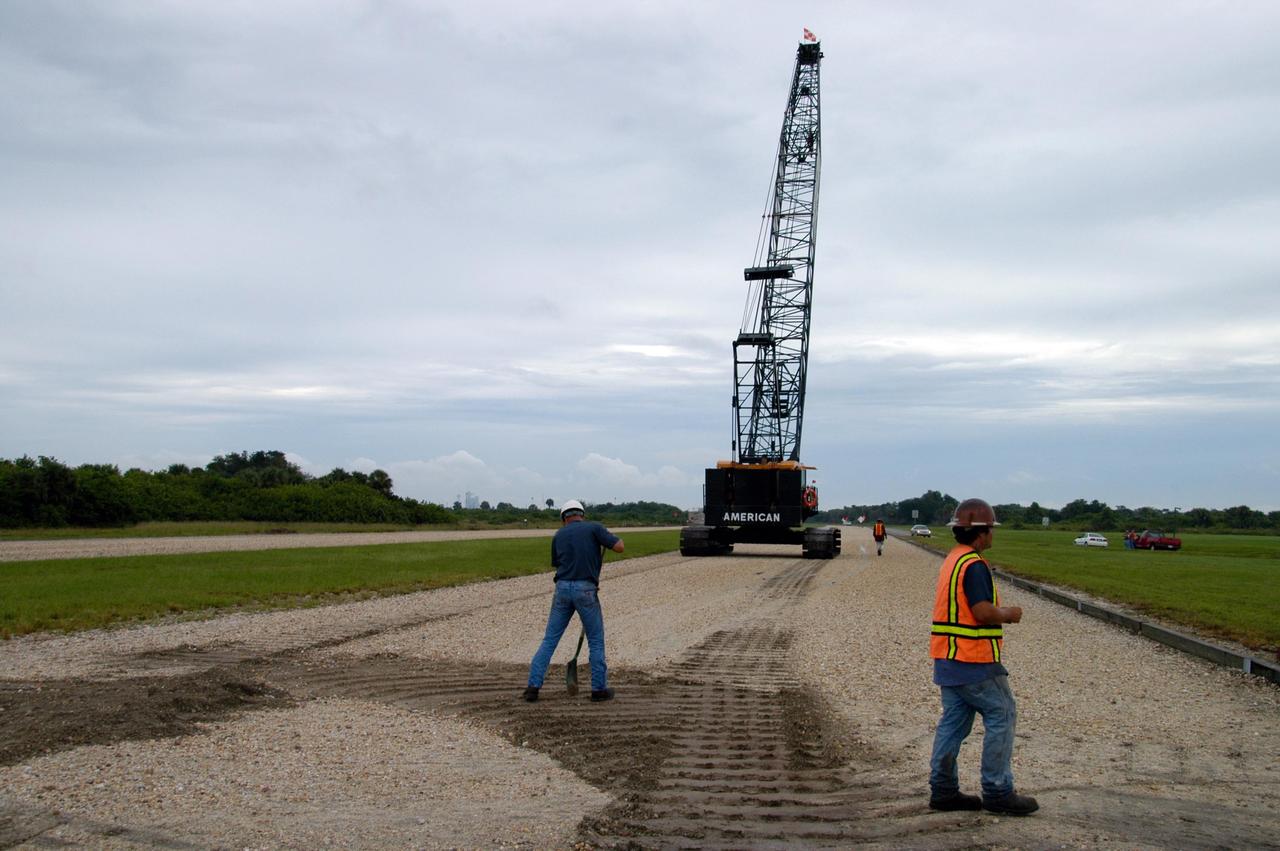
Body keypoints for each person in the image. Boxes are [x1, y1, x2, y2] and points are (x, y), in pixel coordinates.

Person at [927, 498, 1039, 816]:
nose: (993, 535)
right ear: (981, 532)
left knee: (953, 723)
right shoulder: (974, 565)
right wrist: (1009, 614)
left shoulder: (953, 559)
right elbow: (981, 611)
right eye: (991, 529)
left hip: (948, 658)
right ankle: (998, 791)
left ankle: (944, 791)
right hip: (973, 659)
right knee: (1002, 714)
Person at [523, 499, 624, 703]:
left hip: (561, 589)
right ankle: (599, 690)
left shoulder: (559, 535)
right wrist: (607, 538)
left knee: (550, 639)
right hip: (586, 589)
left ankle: (532, 688)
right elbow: (619, 547)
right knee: (595, 640)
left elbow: (559, 563)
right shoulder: (594, 528)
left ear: (564, 519)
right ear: (582, 514)